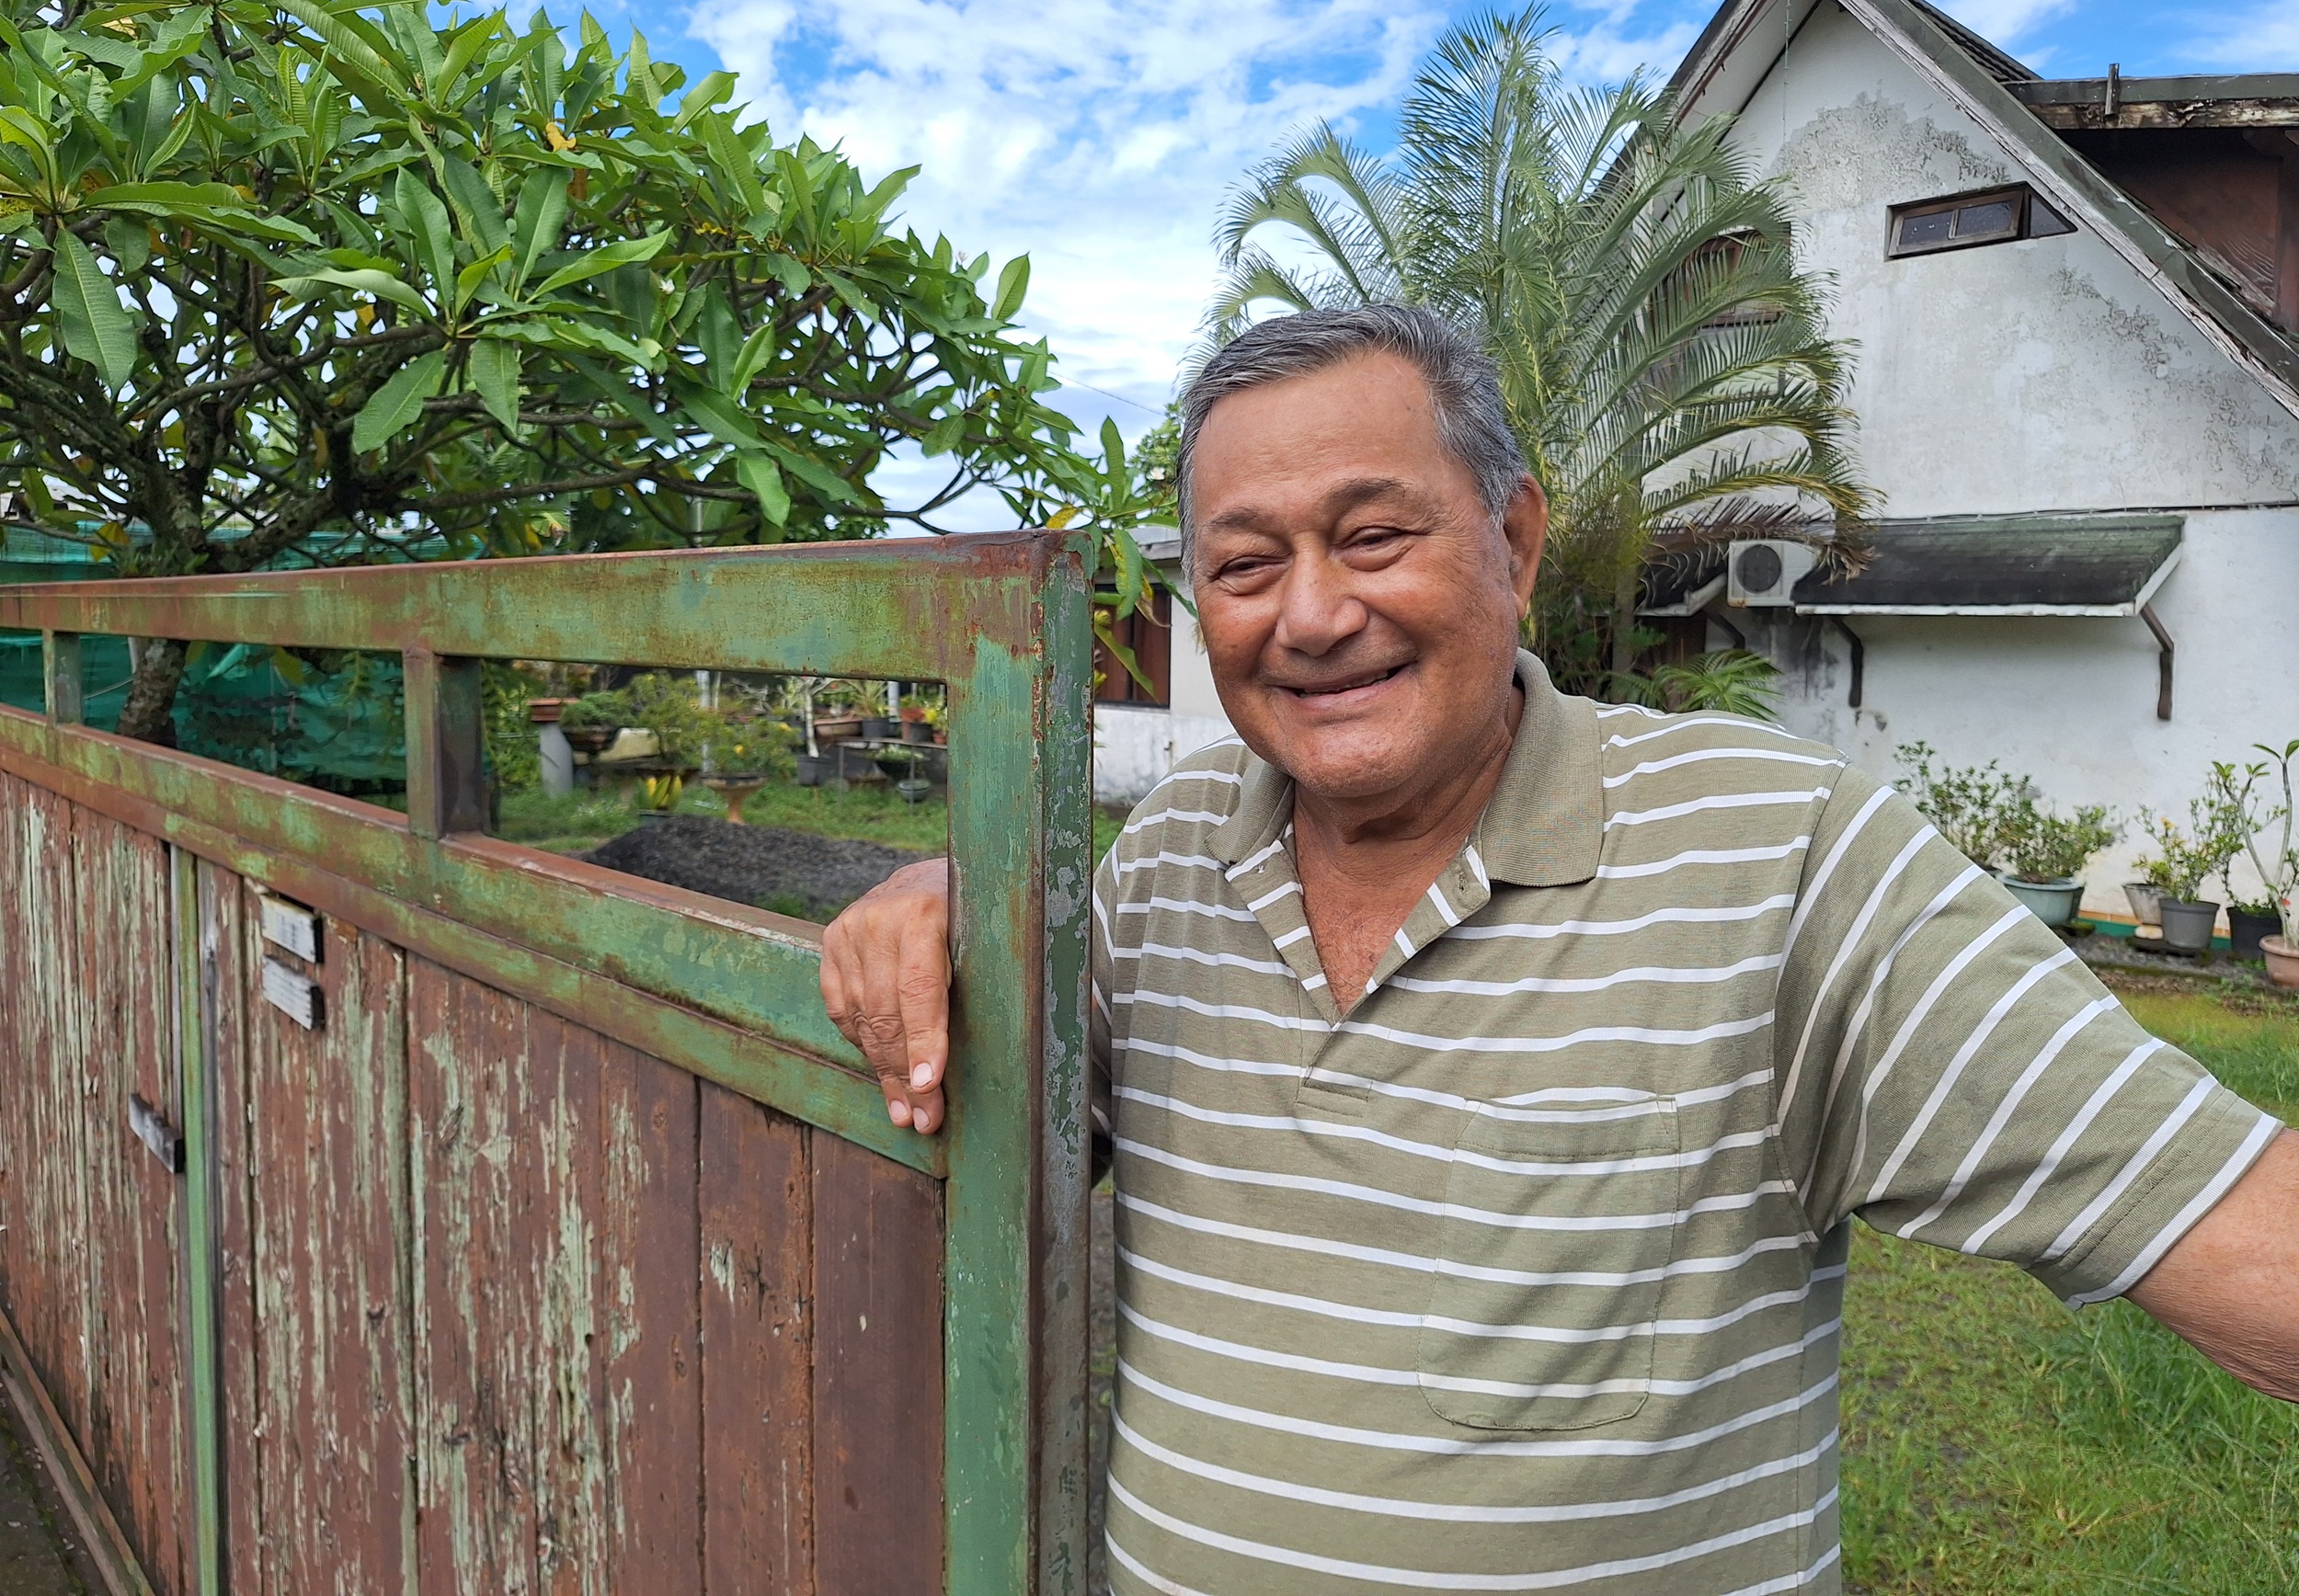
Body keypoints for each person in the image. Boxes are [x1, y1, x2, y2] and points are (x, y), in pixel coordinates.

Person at [821, 304, 2296, 1594]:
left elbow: (2228, 1226)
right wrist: (953, 896)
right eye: (1245, 565)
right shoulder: (1166, 854)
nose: (1313, 616)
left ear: (1514, 541)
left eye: (1374, 536)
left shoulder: (1780, 857)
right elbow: (995, 1140)